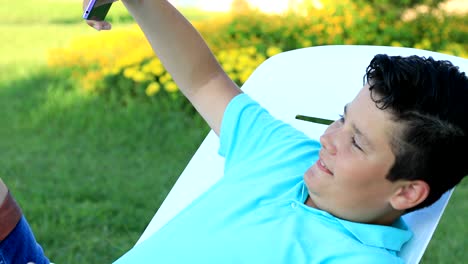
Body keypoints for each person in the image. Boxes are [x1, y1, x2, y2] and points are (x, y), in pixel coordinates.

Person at [1, 0, 466, 263]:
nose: (329, 137)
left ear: (407, 193)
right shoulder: (287, 156)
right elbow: (205, 80)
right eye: (343, 118)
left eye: (357, 142)